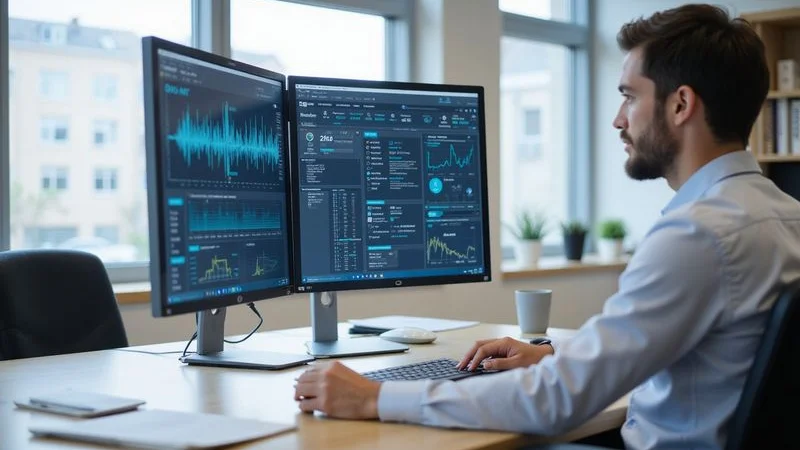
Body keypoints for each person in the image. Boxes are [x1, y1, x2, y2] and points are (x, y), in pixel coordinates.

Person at [293, 4, 800, 449]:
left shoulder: (697, 237)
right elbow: (661, 338)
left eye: (629, 96)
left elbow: (556, 403)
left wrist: (377, 397)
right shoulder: (782, 215)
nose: (618, 120)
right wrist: (551, 353)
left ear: (681, 104)